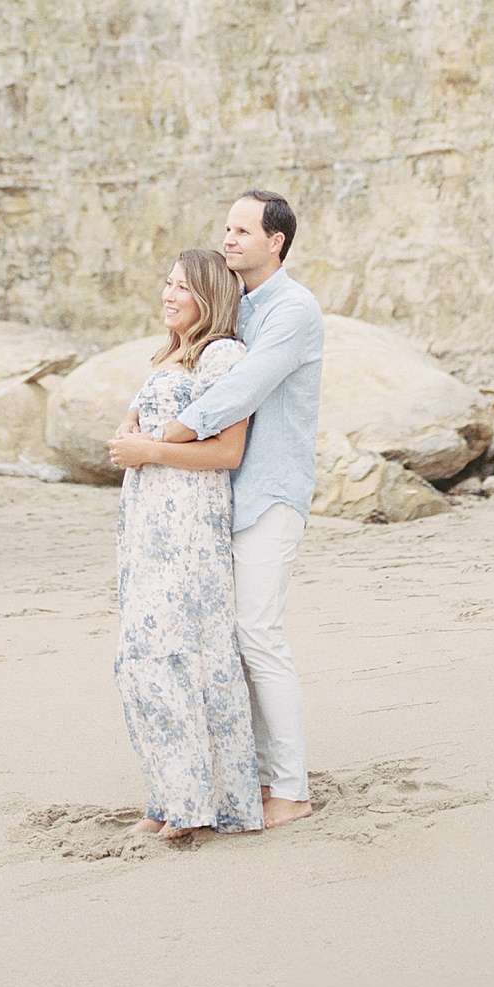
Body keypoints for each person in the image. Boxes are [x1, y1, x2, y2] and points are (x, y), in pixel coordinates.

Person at [159, 190, 324, 830]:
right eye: (226, 229)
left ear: (275, 242)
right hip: (222, 496)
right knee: (231, 642)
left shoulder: (293, 310)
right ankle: (249, 777)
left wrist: (170, 435)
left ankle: (292, 788)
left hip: (271, 493)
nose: (228, 239)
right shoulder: (237, 305)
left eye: (242, 231)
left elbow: (244, 388)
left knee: (259, 635)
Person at [106, 248, 264, 839]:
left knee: (180, 652)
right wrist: (129, 432)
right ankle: (167, 794)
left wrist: (148, 450)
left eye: (181, 287)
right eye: (167, 283)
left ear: (209, 296)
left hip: (189, 524)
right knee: (141, 655)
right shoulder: (171, 354)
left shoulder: (223, 355)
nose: (168, 295)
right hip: (147, 521)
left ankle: (198, 803)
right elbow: (144, 423)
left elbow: (228, 451)